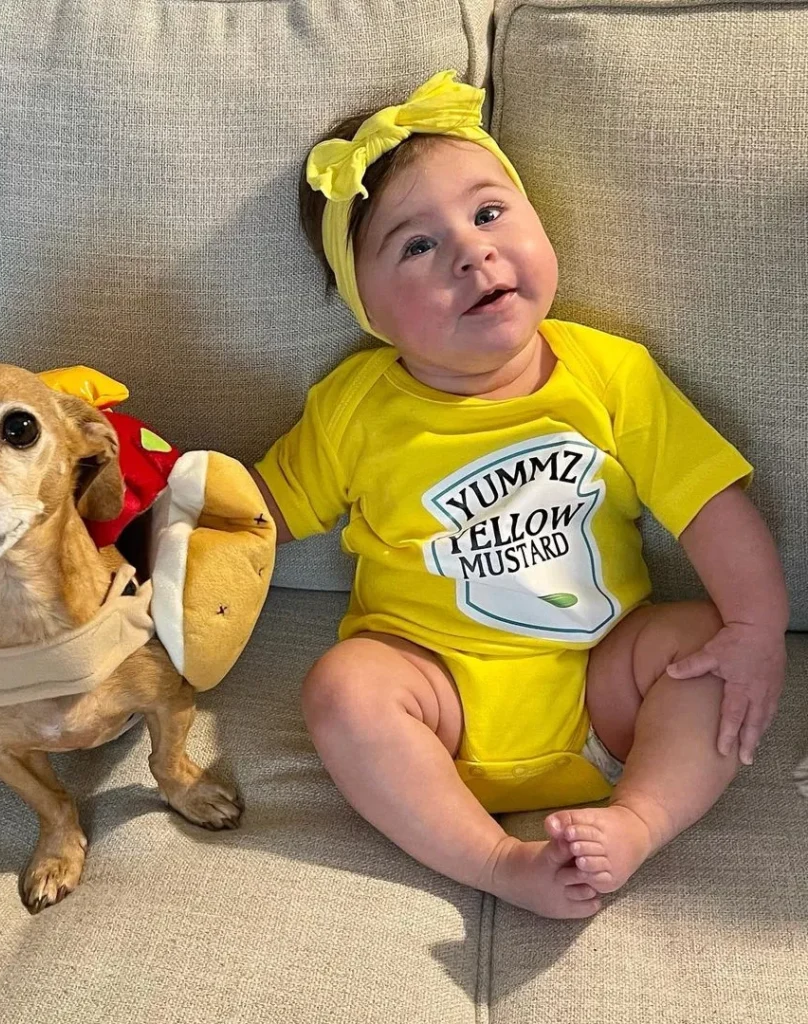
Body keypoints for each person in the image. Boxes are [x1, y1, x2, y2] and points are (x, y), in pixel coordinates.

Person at [252, 70, 787, 919]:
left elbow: (708, 502)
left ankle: (637, 821)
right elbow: (258, 514)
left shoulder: (610, 374)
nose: (471, 252)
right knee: (344, 688)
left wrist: (758, 629)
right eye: (416, 247)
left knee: (704, 638)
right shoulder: (353, 407)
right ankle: (498, 860)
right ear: (372, 311)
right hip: (439, 706)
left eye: (489, 212)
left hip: (605, 692)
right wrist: (162, 517)